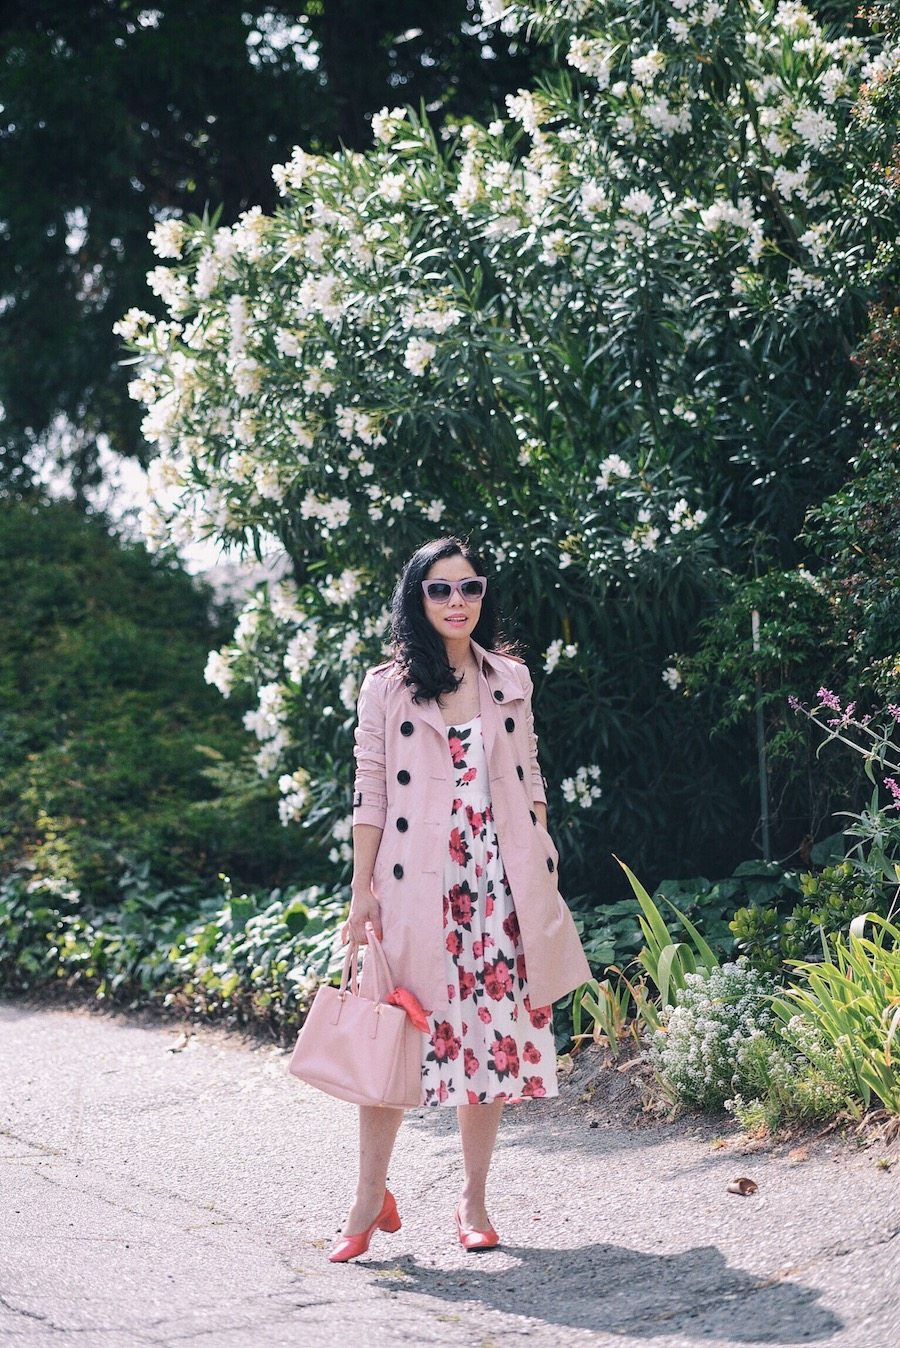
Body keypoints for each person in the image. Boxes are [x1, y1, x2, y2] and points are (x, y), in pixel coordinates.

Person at [328, 537, 591, 1263]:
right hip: (416, 888)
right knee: (396, 1043)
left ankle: (473, 1201)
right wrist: (361, 893)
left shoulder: (509, 676)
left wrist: (540, 848)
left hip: (499, 886)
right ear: (417, 599)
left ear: (483, 596)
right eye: (439, 590)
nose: (455, 603)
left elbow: (530, 770)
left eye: (469, 588)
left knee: (491, 1045)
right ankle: (368, 1196)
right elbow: (371, 790)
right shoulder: (386, 686)